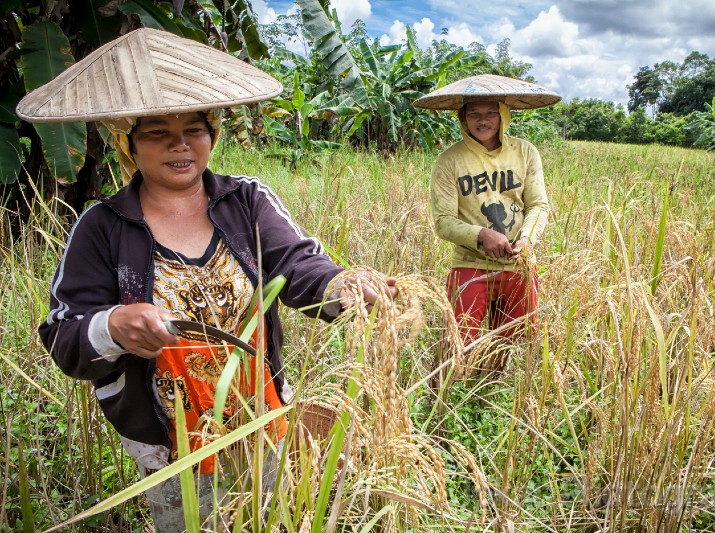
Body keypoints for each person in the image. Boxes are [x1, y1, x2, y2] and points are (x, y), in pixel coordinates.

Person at [18, 28, 396, 530]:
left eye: (194, 129)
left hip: (259, 412)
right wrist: (112, 327)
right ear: (129, 144)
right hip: (168, 433)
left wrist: (340, 287)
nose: (180, 144)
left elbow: (299, 264)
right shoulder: (102, 227)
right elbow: (64, 332)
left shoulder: (245, 201)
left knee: (267, 514)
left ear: (212, 135)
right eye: (157, 132)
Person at [413, 74, 560, 348]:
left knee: (513, 347)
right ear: (463, 118)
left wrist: (526, 240)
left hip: (519, 265)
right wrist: (482, 235)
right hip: (470, 265)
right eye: (475, 113)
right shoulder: (449, 161)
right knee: (457, 347)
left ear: (503, 115)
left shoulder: (526, 152)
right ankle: (452, 389)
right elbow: (443, 222)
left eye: (491, 112)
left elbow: (538, 205)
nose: (483, 120)